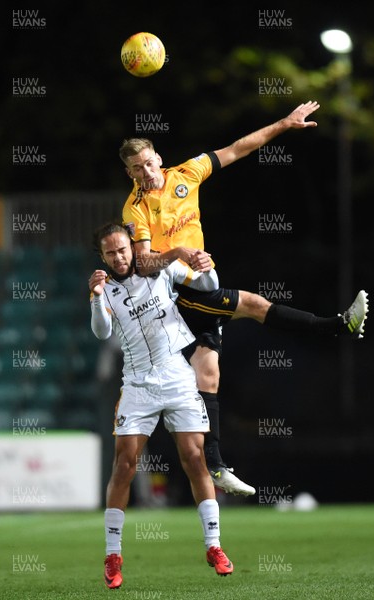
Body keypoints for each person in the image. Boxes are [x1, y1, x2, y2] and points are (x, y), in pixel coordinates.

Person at [119, 101, 369, 497]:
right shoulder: (136, 207)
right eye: (135, 168)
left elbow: (238, 148)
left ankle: (216, 467)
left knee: (209, 376)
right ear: (129, 173)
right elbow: (145, 262)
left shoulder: (187, 173)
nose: (144, 173)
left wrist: (286, 124)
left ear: (158, 160)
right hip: (173, 292)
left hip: (197, 284)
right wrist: (179, 254)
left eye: (148, 164)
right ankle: (338, 326)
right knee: (252, 305)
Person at [89, 222, 234, 590]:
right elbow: (102, 332)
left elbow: (209, 286)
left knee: (194, 457)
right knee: (124, 464)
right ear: (102, 257)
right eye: (110, 252)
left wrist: (205, 264)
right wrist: (94, 297)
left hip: (176, 377)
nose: (119, 257)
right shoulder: (104, 290)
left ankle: (214, 546)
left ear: (132, 247)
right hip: (137, 384)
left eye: (122, 249)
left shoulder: (162, 268)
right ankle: (112, 555)